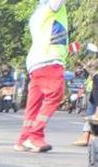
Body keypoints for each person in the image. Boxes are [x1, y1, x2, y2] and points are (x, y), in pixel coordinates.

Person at [16, 0, 67, 152]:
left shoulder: (37, 14)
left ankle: (23, 138)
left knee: (35, 104)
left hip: (35, 62)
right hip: (49, 59)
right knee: (55, 96)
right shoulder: (51, 7)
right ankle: (35, 136)